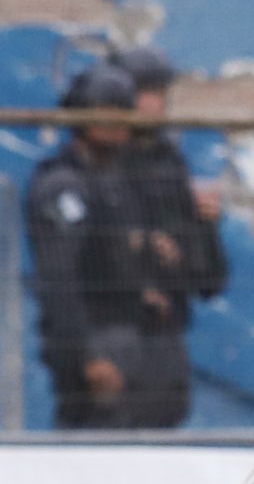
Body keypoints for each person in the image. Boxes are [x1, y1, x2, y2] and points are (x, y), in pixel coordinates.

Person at [22, 64, 159, 428]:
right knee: (90, 437)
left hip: (124, 335)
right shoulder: (63, 183)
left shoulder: (114, 180)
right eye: (103, 110)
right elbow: (58, 278)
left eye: (122, 111)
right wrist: (86, 355)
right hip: (91, 342)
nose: (115, 123)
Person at [109, 44, 228, 427]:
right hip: (110, 332)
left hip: (164, 333)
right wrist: (140, 245)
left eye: (160, 93)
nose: (155, 104)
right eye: (145, 92)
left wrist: (204, 224)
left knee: (164, 420)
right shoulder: (97, 162)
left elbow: (207, 279)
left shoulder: (169, 161)